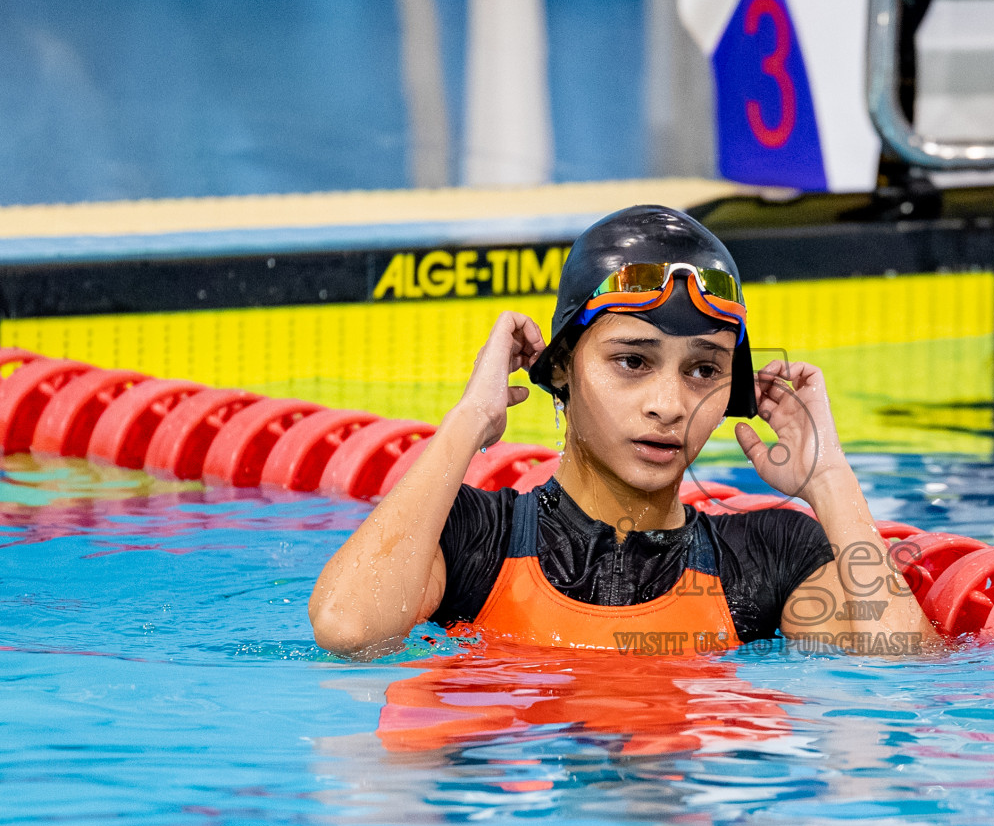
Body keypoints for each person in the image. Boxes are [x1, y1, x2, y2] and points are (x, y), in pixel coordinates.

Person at [309, 205, 936, 660]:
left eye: (703, 370)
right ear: (561, 367)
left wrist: (829, 481)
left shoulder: (766, 558)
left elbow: (899, 667)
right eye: (632, 361)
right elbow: (349, 629)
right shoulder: (474, 536)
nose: (670, 405)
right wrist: (468, 422)